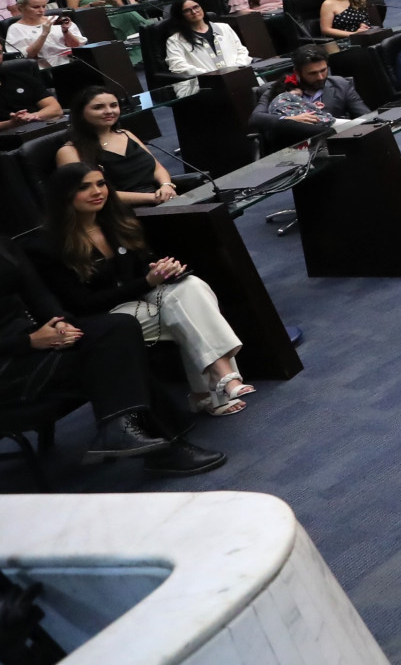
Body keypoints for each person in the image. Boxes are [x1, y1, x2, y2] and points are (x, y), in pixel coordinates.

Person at [0, 225, 226, 476]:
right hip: (9, 363)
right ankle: (163, 448)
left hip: (32, 339)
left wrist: (61, 322)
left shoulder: (4, 243)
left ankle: (120, 427)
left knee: (119, 327)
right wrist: (29, 341)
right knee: (110, 355)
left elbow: (37, 292)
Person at [33, 163, 252, 416]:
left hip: (141, 300)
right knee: (189, 310)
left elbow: (140, 270)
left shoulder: (118, 222)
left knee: (191, 286)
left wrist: (163, 270)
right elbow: (83, 304)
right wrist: (147, 282)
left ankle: (218, 382)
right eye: (85, 187)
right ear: (64, 195)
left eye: (101, 184)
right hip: (105, 319)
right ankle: (215, 386)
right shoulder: (46, 245)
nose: (97, 192)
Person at [56, 87, 181, 208]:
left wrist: (166, 185)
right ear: (81, 113)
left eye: (114, 105)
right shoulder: (69, 151)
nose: (109, 111)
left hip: (159, 199)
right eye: (98, 107)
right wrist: (152, 197)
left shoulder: (126, 134)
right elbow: (90, 194)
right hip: (120, 212)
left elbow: (157, 168)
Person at [251, 47, 370, 146]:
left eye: (323, 70)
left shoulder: (340, 84)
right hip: (293, 149)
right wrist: (290, 120)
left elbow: (365, 117)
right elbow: (256, 119)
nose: (320, 77)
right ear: (297, 72)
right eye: (312, 73)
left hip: (334, 144)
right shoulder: (280, 88)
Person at [163, 0, 252, 76]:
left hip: (239, 75)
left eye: (196, 7)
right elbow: (178, 66)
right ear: (180, 15)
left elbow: (241, 50)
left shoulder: (224, 27)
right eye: (187, 11)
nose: (194, 12)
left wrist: (236, 68)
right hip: (206, 85)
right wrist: (210, 74)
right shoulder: (175, 40)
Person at [7, 0, 85, 67]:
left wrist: (65, 31)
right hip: (45, 66)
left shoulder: (57, 19)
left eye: (44, 6)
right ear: (20, 7)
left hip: (73, 60)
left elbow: (76, 45)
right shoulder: (15, 29)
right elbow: (26, 56)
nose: (41, 10)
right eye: (36, 7)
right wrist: (44, 34)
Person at [0, 61, 60, 128]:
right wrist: (12, 123)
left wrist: (31, 116)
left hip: (42, 126)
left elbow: (56, 109)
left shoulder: (20, 77)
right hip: (7, 134)